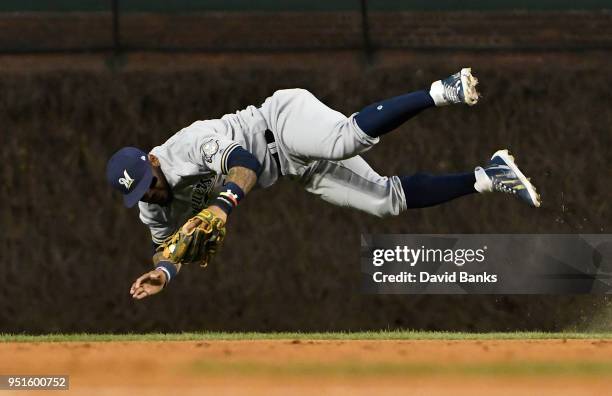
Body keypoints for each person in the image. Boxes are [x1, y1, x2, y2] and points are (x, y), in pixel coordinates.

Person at [106, 68, 540, 300]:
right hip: (296, 168)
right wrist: (164, 269)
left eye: (148, 181)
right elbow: (173, 243)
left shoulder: (186, 144)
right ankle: (489, 175)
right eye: (139, 191)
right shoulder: (152, 206)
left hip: (281, 121)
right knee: (384, 203)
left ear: (151, 161)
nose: (149, 191)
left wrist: (221, 206)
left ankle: (439, 91)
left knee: (344, 138)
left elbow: (245, 163)